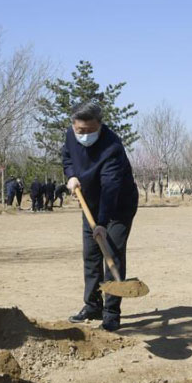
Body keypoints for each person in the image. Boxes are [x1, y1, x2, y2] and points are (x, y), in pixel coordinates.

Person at [63, 101, 138, 332]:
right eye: (79, 131)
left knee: (112, 254)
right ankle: (93, 305)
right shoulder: (70, 135)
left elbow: (110, 187)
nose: (83, 135)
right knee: (91, 256)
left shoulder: (112, 147)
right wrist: (71, 176)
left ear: (100, 124)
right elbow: (67, 158)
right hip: (90, 203)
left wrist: (103, 224)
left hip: (118, 206)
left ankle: (111, 313)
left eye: (89, 130)